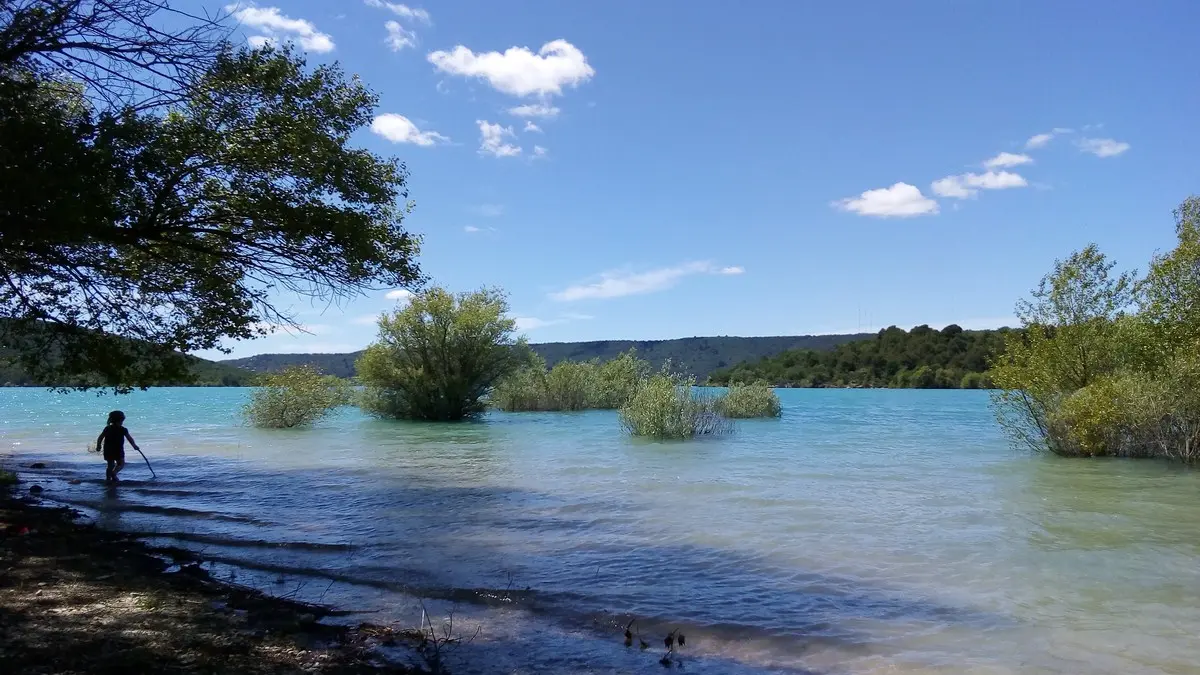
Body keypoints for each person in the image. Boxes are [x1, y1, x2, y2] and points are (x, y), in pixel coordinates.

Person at [96, 410, 138, 483]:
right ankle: (114, 473)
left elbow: (100, 437)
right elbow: (129, 438)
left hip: (108, 449)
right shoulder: (123, 429)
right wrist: (134, 446)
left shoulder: (107, 428)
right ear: (121, 420)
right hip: (118, 449)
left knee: (110, 465)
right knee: (121, 463)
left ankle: (108, 479)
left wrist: (98, 445)